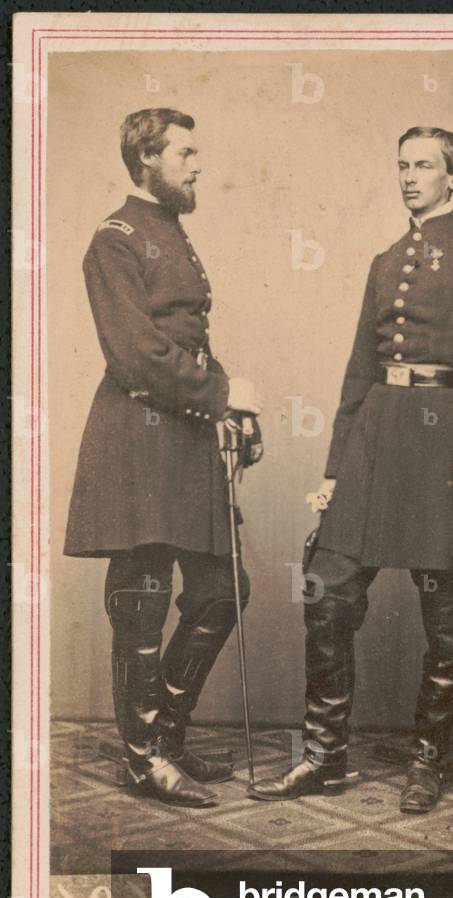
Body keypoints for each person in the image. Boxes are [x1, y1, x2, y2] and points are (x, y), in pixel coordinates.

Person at [249, 126, 453, 813]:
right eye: (402, 165)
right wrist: (334, 469)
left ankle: (427, 758)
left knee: (445, 615)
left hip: (438, 448)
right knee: (327, 595)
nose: (410, 176)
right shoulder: (385, 260)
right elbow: (359, 371)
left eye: (424, 165)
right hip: (372, 441)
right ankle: (324, 757)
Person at [65, 109, 262, 807]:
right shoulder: (114, 240)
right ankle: (143, 759)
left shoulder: (172, 233)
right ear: (145, 159)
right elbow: (135, 353)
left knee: (220, 590)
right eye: (185, 153)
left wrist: (233, 406)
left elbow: (186, 340)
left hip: (184, 434)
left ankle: (167, 738)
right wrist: (222, 392)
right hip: (138, 433)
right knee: (143, 599)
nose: (197, 164)